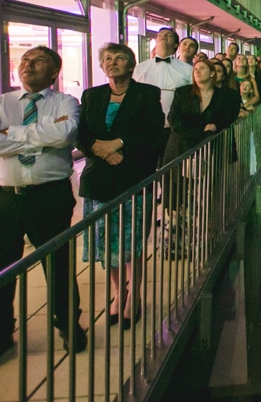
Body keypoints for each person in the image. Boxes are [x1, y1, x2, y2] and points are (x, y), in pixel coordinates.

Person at [0, 46, 86, 375]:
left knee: (58, 264)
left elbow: (65, 135)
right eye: (24, 60)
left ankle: (68, 325)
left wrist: (9, 134)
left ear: (53, 72)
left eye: (38, 61)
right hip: (2, 200)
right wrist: (39, 137)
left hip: (49, 197)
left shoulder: (66, 102)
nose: (27, 65)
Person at [77, 43, 164, 329]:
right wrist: (101, 150)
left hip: (133, 177)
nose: (113, 63)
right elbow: (82, 134)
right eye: (107, 59)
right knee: (107, 243)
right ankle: (118, 292)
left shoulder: (147, 94)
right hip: (99, 179)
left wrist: (120, 144)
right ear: (102, 66)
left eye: (120, 58)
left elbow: (153, 132)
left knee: (132, 241)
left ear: (131, 64)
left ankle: (134, 295)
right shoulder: (91, 95)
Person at [161, 59, 240, 257]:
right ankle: (175, 246)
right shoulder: (182, 93)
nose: (197, 71)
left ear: (213, 73)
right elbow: (175, 122)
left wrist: (205, 126)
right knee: (177, 199)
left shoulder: (227, 96)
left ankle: (202, 244)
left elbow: (226, 118)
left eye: (202, 68)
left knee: (204, 198)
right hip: (181, 151)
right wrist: (203, 129)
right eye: (195, 69)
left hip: (211, 153)